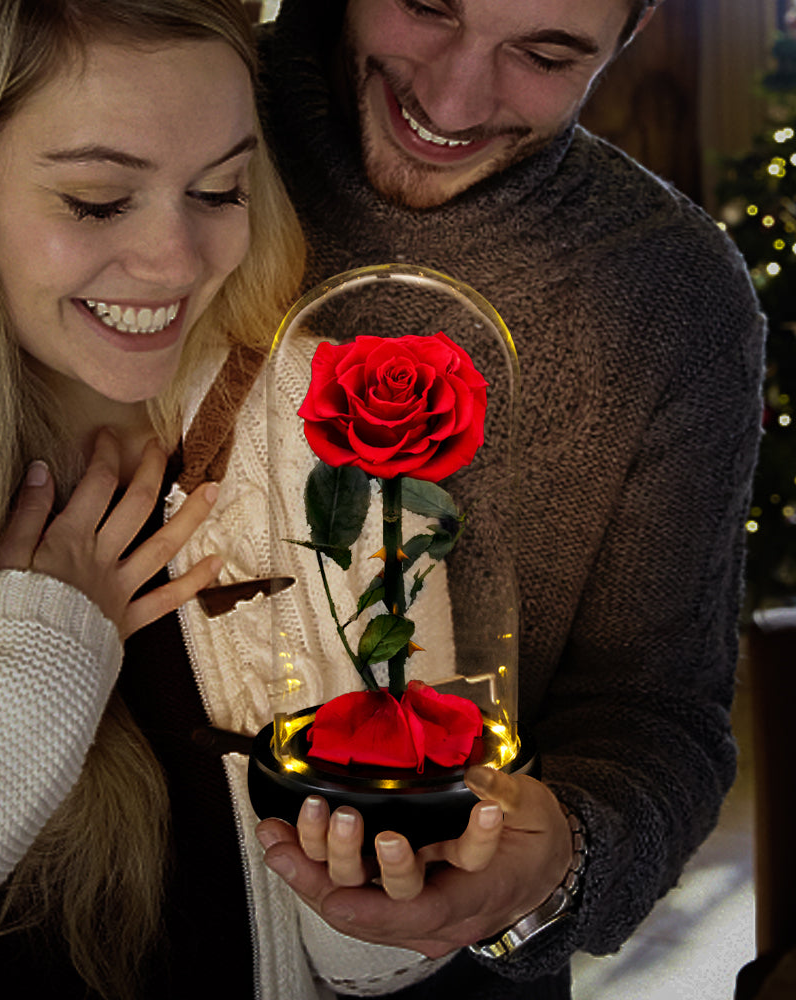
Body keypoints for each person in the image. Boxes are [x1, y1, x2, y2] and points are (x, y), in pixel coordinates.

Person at [0, 0, 371, 997]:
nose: (178, 262)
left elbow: (360, 963)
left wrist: (403, 899)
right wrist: (39, 679)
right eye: (98, 202)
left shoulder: (313, 425)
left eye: (221, 188)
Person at [252, 1, 767, 997]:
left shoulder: (675, 294)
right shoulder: (154, 124)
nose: (449, 102)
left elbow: (657, 714)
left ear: (631, 32)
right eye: (426, 5)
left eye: (543, 54)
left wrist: (559, 860)